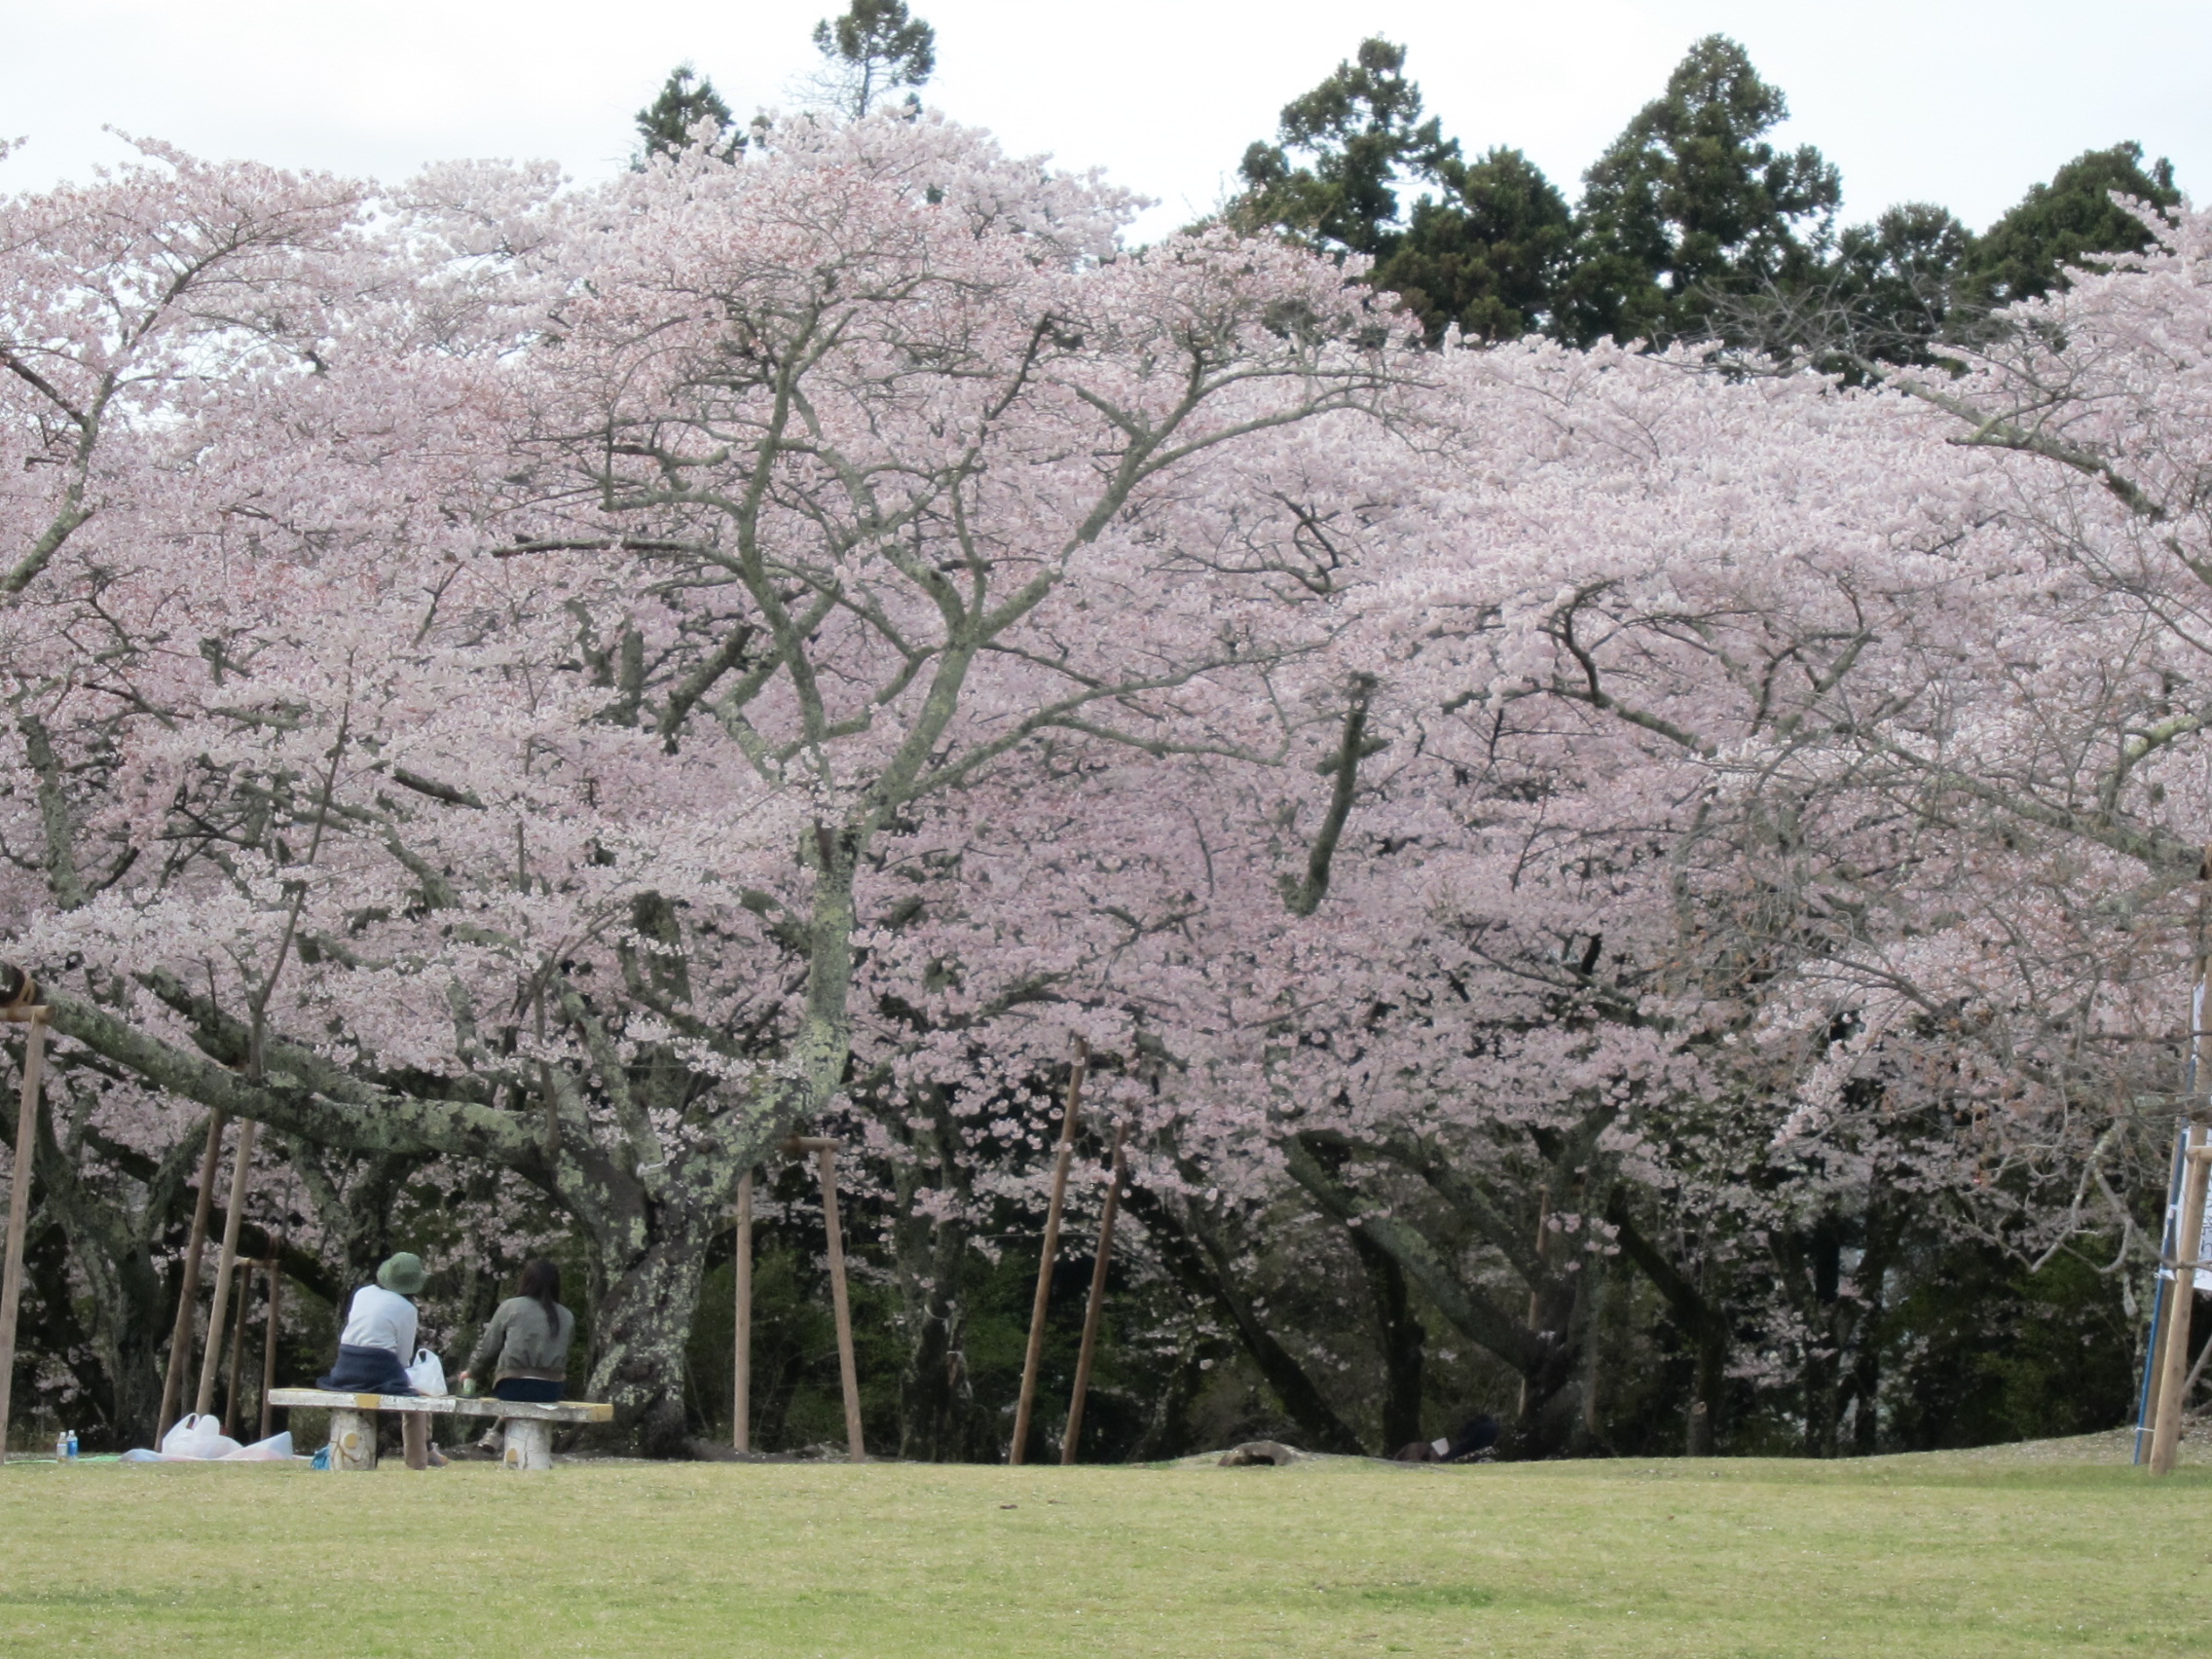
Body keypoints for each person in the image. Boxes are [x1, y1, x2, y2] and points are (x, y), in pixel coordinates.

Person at [461, 1259, 575, 1404]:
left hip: (512, 1386)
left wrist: (472, 1373)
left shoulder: (511, 1307)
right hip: (550, 1389)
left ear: (527, 1280)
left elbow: (489, 1349)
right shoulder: (567, 1316)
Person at [318, 1251, 428, 1396]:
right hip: (379, 1370)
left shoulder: (363, 1293)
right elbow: (404, 1357)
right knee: (415, 1398)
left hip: (345, 1366)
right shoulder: (407, 1309)